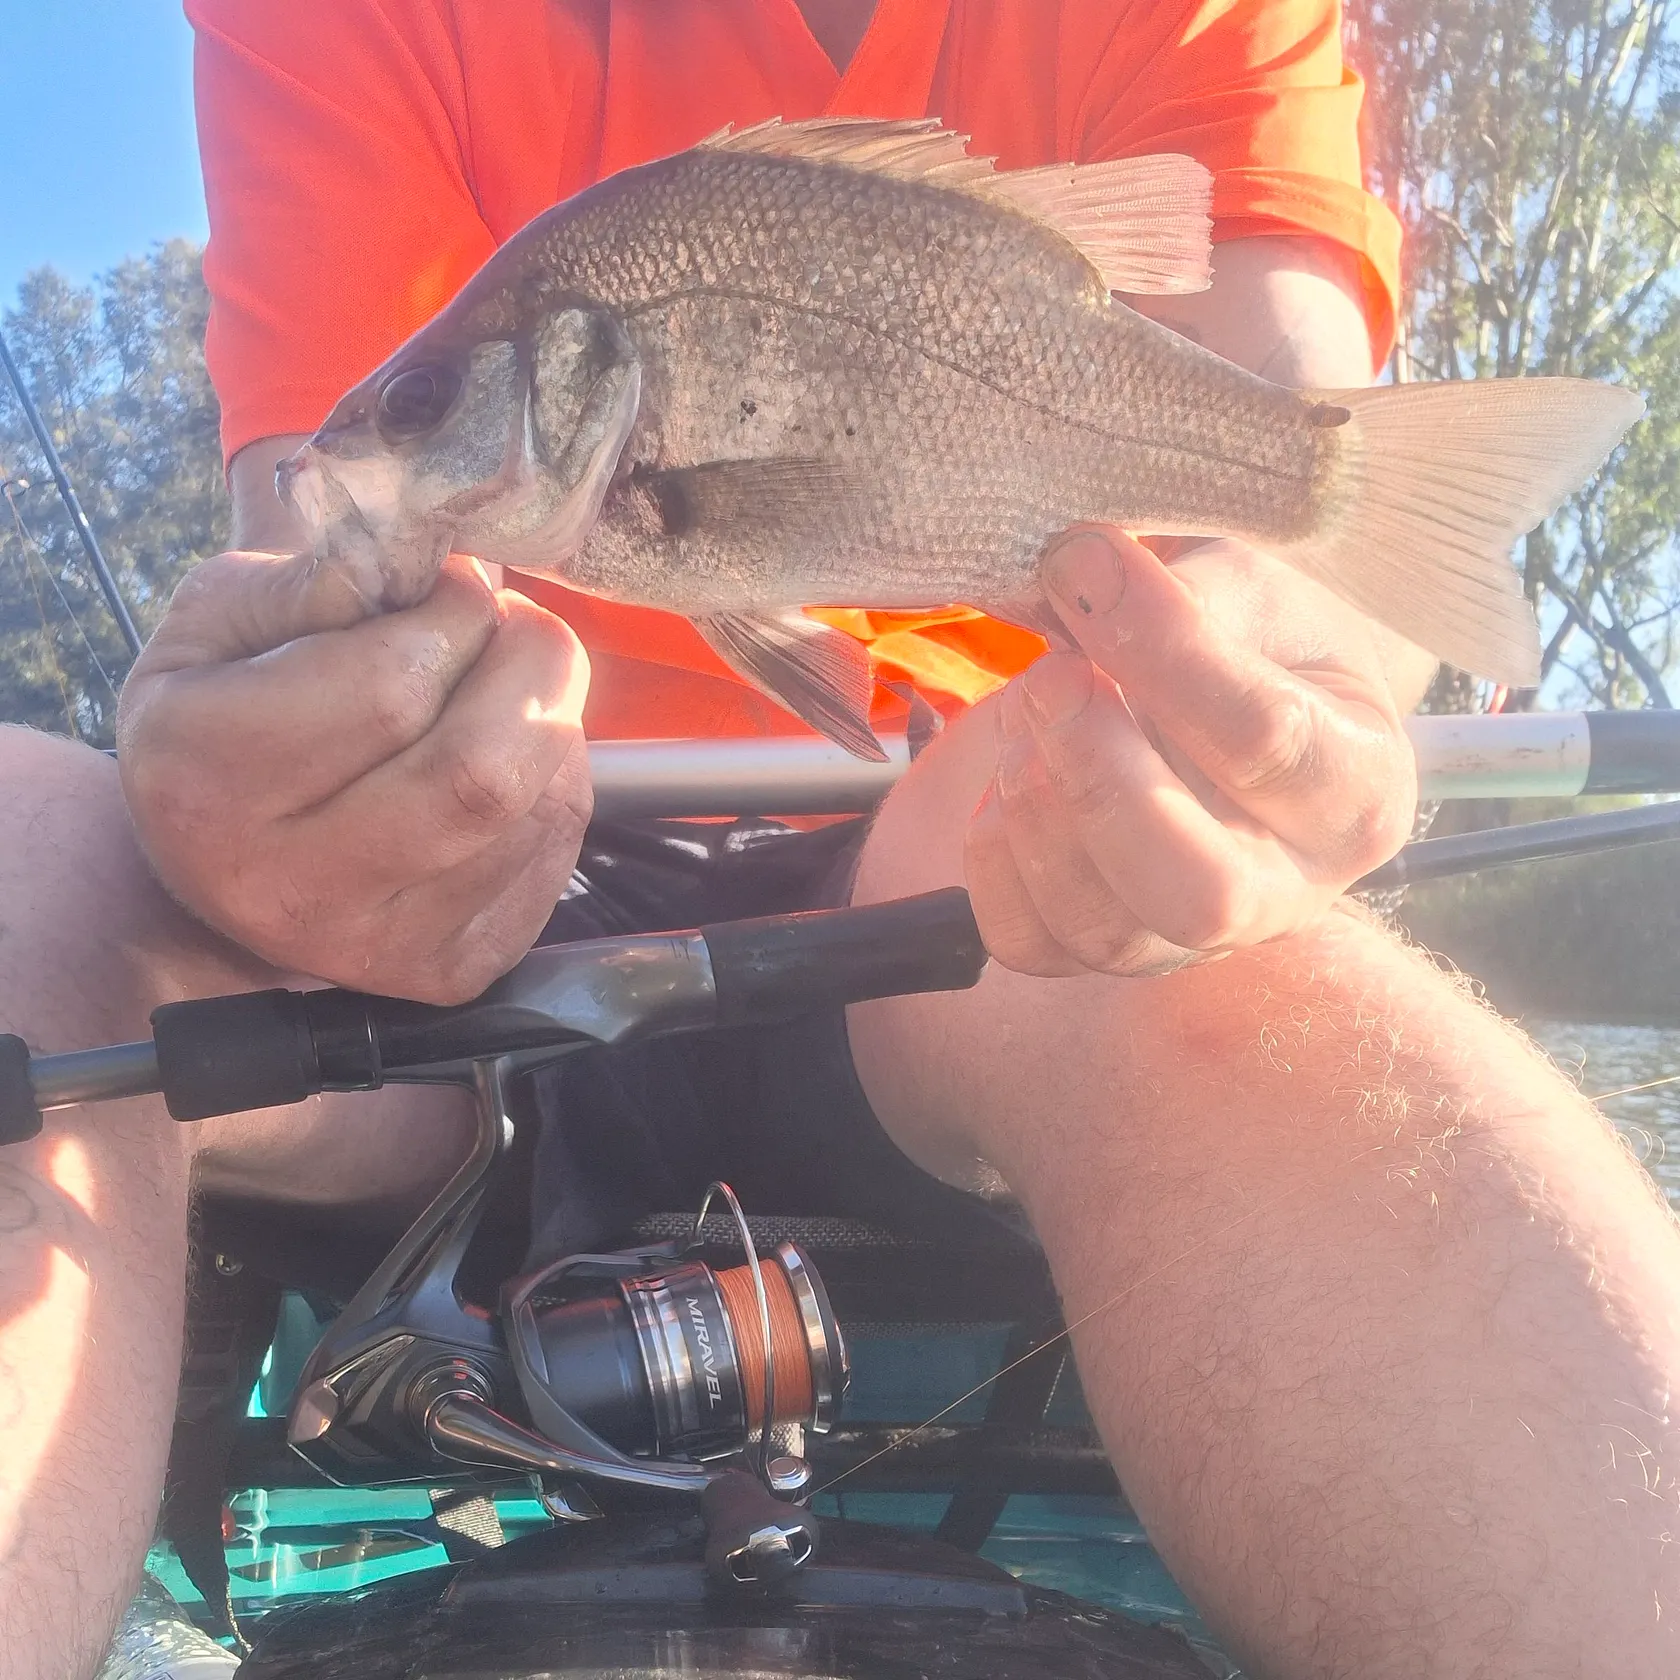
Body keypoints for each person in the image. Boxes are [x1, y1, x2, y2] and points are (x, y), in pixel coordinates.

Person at [4, 1, 1680, 1675]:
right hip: (459, 925)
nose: (401, 427)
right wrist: (279, 773)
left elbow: (1293, 458)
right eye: (444, 389)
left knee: (1212, 969)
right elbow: (318, 527)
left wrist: (1266, 694)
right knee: (26, 843)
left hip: (992, 875)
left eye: (442, 393)